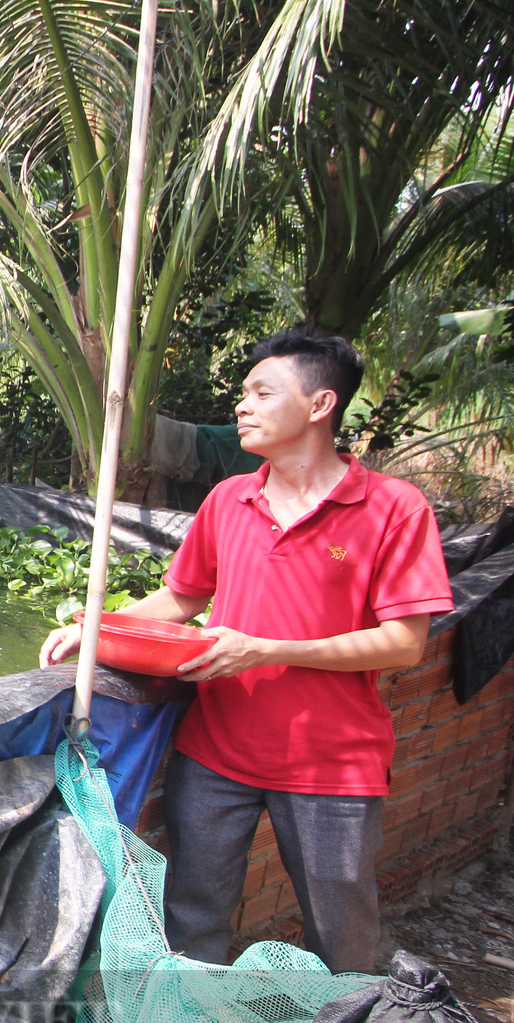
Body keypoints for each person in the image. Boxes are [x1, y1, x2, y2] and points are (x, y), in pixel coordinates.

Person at [40, 331, 452, 974]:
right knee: (191, 923)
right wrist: (95, 630)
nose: (243, 406)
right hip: (215, 755)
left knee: (341, 937)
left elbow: (404, 645)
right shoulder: (229, 500)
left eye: (263, 392)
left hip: (334, 766)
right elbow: (178, 599)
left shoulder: (394, 509)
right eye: (244, 394)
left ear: (320, 405)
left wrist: (266, 651)